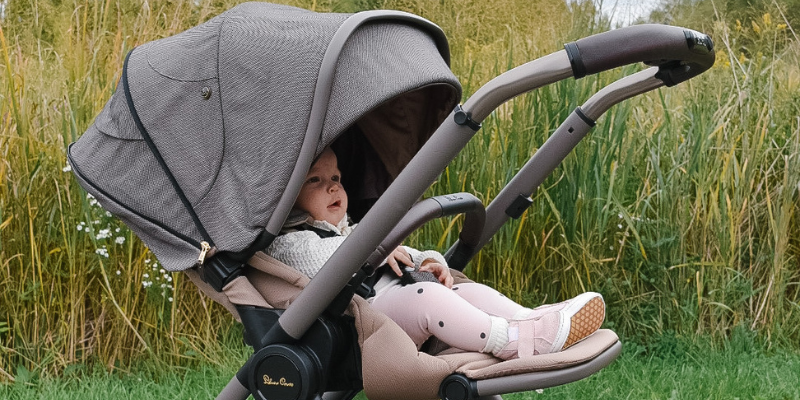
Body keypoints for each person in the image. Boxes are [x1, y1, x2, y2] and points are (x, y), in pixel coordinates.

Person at [267, 147, 605, 359]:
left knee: (464, 290)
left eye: (336, 177)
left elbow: (404, 251)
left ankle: (532, 319)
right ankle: (514, 340)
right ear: (286, 199)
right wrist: (372, 248)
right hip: (365, 321)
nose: (333, 186)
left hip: (401, 300)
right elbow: (324, 260)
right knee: (427, 297)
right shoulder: (290, 242)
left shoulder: (355, 232)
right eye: (315, 180)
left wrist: (430, 261)